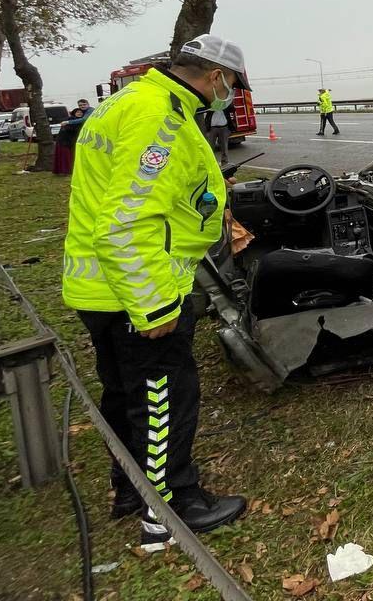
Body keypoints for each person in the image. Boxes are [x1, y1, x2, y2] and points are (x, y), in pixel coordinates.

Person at [62, 33, 251, 551]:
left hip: (100, 288)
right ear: (215, 76)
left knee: (123, 394)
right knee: (163, 397)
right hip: (137, 292)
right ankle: (168, 511)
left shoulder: (128, 100)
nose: (229, 92)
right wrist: (154, 305)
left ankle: (129, 488)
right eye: (231, 83)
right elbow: (126, 222)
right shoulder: (160, 119)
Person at [52, 107, 87, 176]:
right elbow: (70, 130)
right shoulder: (71, 120)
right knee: (65, 157)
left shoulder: (79, 121)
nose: (79, 113)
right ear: (74, 113)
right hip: (64, 141)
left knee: (70, 157)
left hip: (70, 142)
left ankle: (69, 170)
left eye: (81, 112)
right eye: (78, 112)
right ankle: (65, 171)